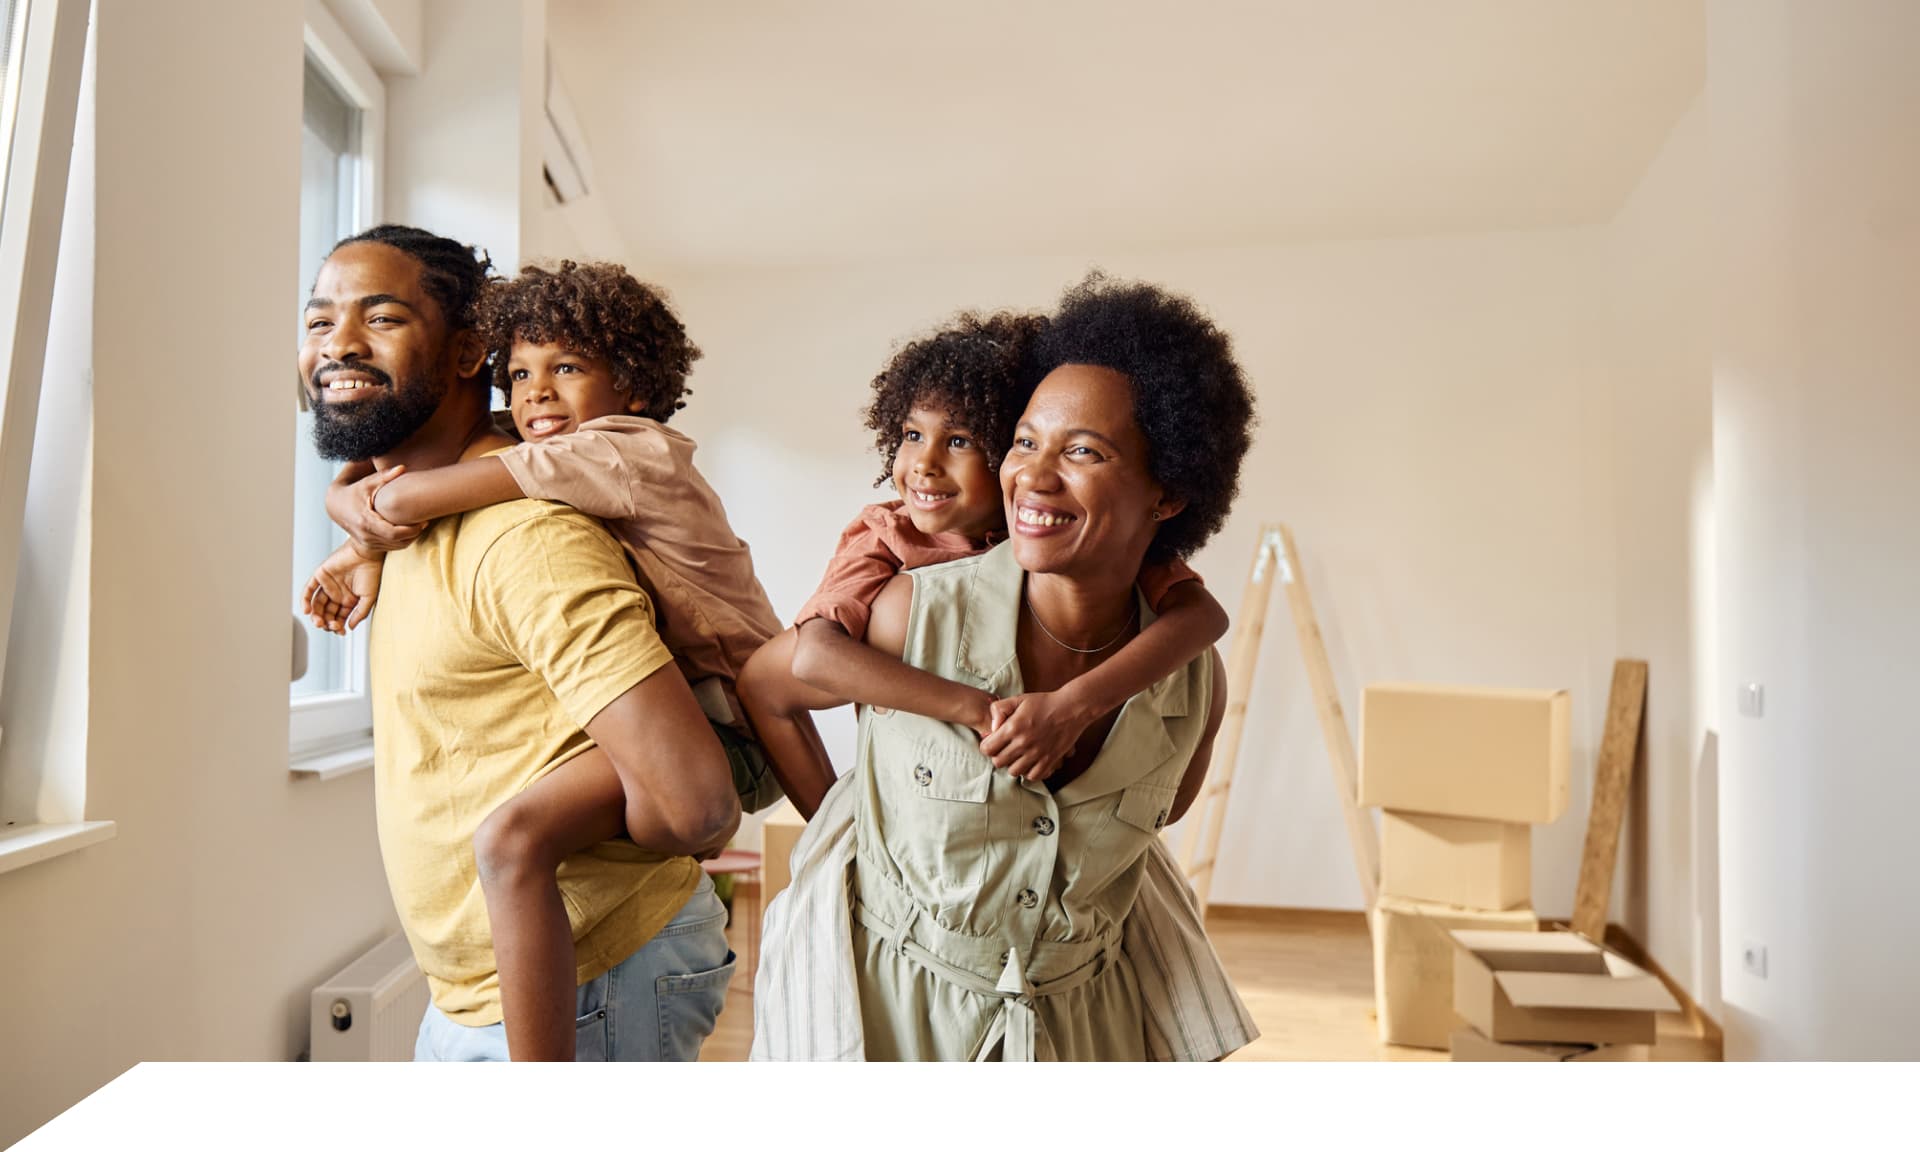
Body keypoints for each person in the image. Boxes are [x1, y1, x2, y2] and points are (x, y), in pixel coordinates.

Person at [752, 274, 1260, 1060]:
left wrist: (1081, 706)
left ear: (1169, 495)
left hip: (1088, 1028)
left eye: (1083, 451)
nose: (1035, 475)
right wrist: (847, 831)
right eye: (1025, 441)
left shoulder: (1190, 677)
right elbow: (777, 677)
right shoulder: (899, 609)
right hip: (898, 1027)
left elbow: (1152, 826)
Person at [298, 225, 740, 1062]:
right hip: (492, 990)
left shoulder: (526, 539)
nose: (338, 345)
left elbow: (697, 805)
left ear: (469, 353)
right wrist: (355, 527)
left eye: (380, 318)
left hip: (592, 976)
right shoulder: (408, 518)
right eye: (319, 322)